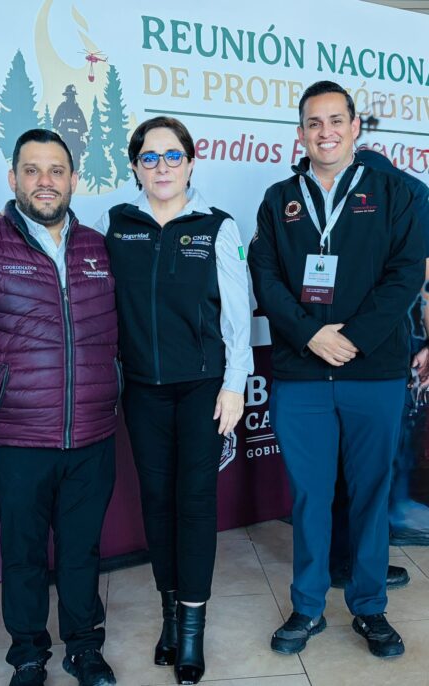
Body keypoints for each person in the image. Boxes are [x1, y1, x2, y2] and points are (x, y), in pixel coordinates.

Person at [248, 80, 424, 659]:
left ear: (354, 127)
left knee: (370, 495)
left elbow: (406, 274)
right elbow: (265, 277)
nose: (325, 132)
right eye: (313, 123)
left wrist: (351, 338)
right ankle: (307, 606)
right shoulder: (279, 199)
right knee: (309, 496)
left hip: (373, 372)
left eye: (335, 120)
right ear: (300, 133)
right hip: (302, 375)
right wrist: (310, 334)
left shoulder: (394, 192)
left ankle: (370, 607)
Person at [0, 129, 119, 686]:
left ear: (73, 179)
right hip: (15, 436)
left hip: (91, 432)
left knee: (81, 549)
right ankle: (27, 653)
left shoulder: (97, 246)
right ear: (13, 178)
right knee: (22, 552)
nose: (45, 181)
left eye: (56, 170)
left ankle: (84, 648)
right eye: (33, 170)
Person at [95, 116, 253, 685]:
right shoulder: (116, 225)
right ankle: (168, 614)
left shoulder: (217, 226)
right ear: (135, 166)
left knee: (196, 503)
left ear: (190, 162)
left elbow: (237, 314)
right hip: (142, 390)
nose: (161, 166)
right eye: (149, 157)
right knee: (157, 504)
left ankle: (191, 629)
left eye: (172, 156)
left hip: (203, 389)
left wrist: (235, 383)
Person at [328, 146, 429, 587]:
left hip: (344, 345)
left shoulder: (400, 194)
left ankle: (347, 559)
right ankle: (353, 561)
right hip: (366, 349)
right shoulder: (409, 194)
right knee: (365, 466)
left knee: (351, 465)